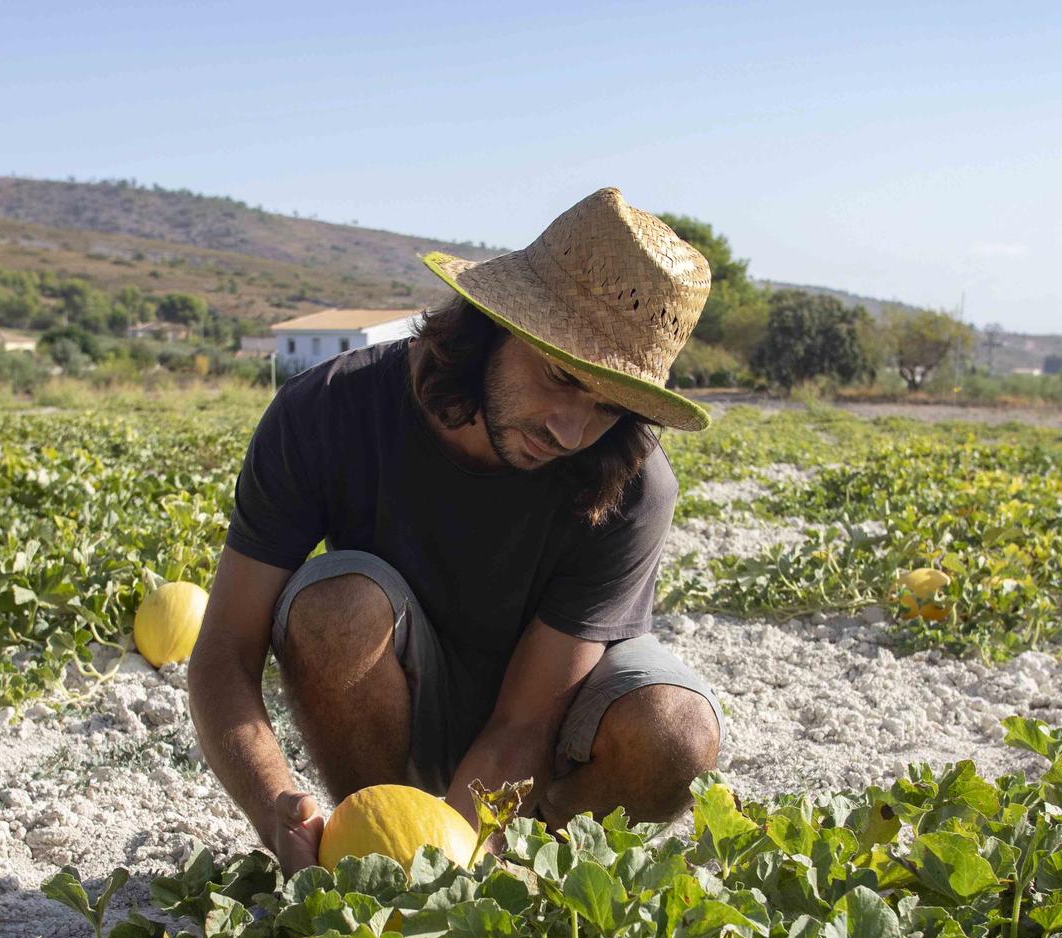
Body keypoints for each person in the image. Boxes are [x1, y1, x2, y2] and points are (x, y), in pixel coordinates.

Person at [188, 187, 723, 874]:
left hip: (545, 734)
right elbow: (222, 655)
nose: (571, 431)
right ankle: (381, 842)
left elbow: (523, 722)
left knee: (674, 732)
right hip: (397, 711)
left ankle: (527, 870)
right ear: (497, 323)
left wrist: (458, 873)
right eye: (559, 376)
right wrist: (273, 806)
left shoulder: (636, 484)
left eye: (609, 407)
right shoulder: (323, 413)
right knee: (332, 607)